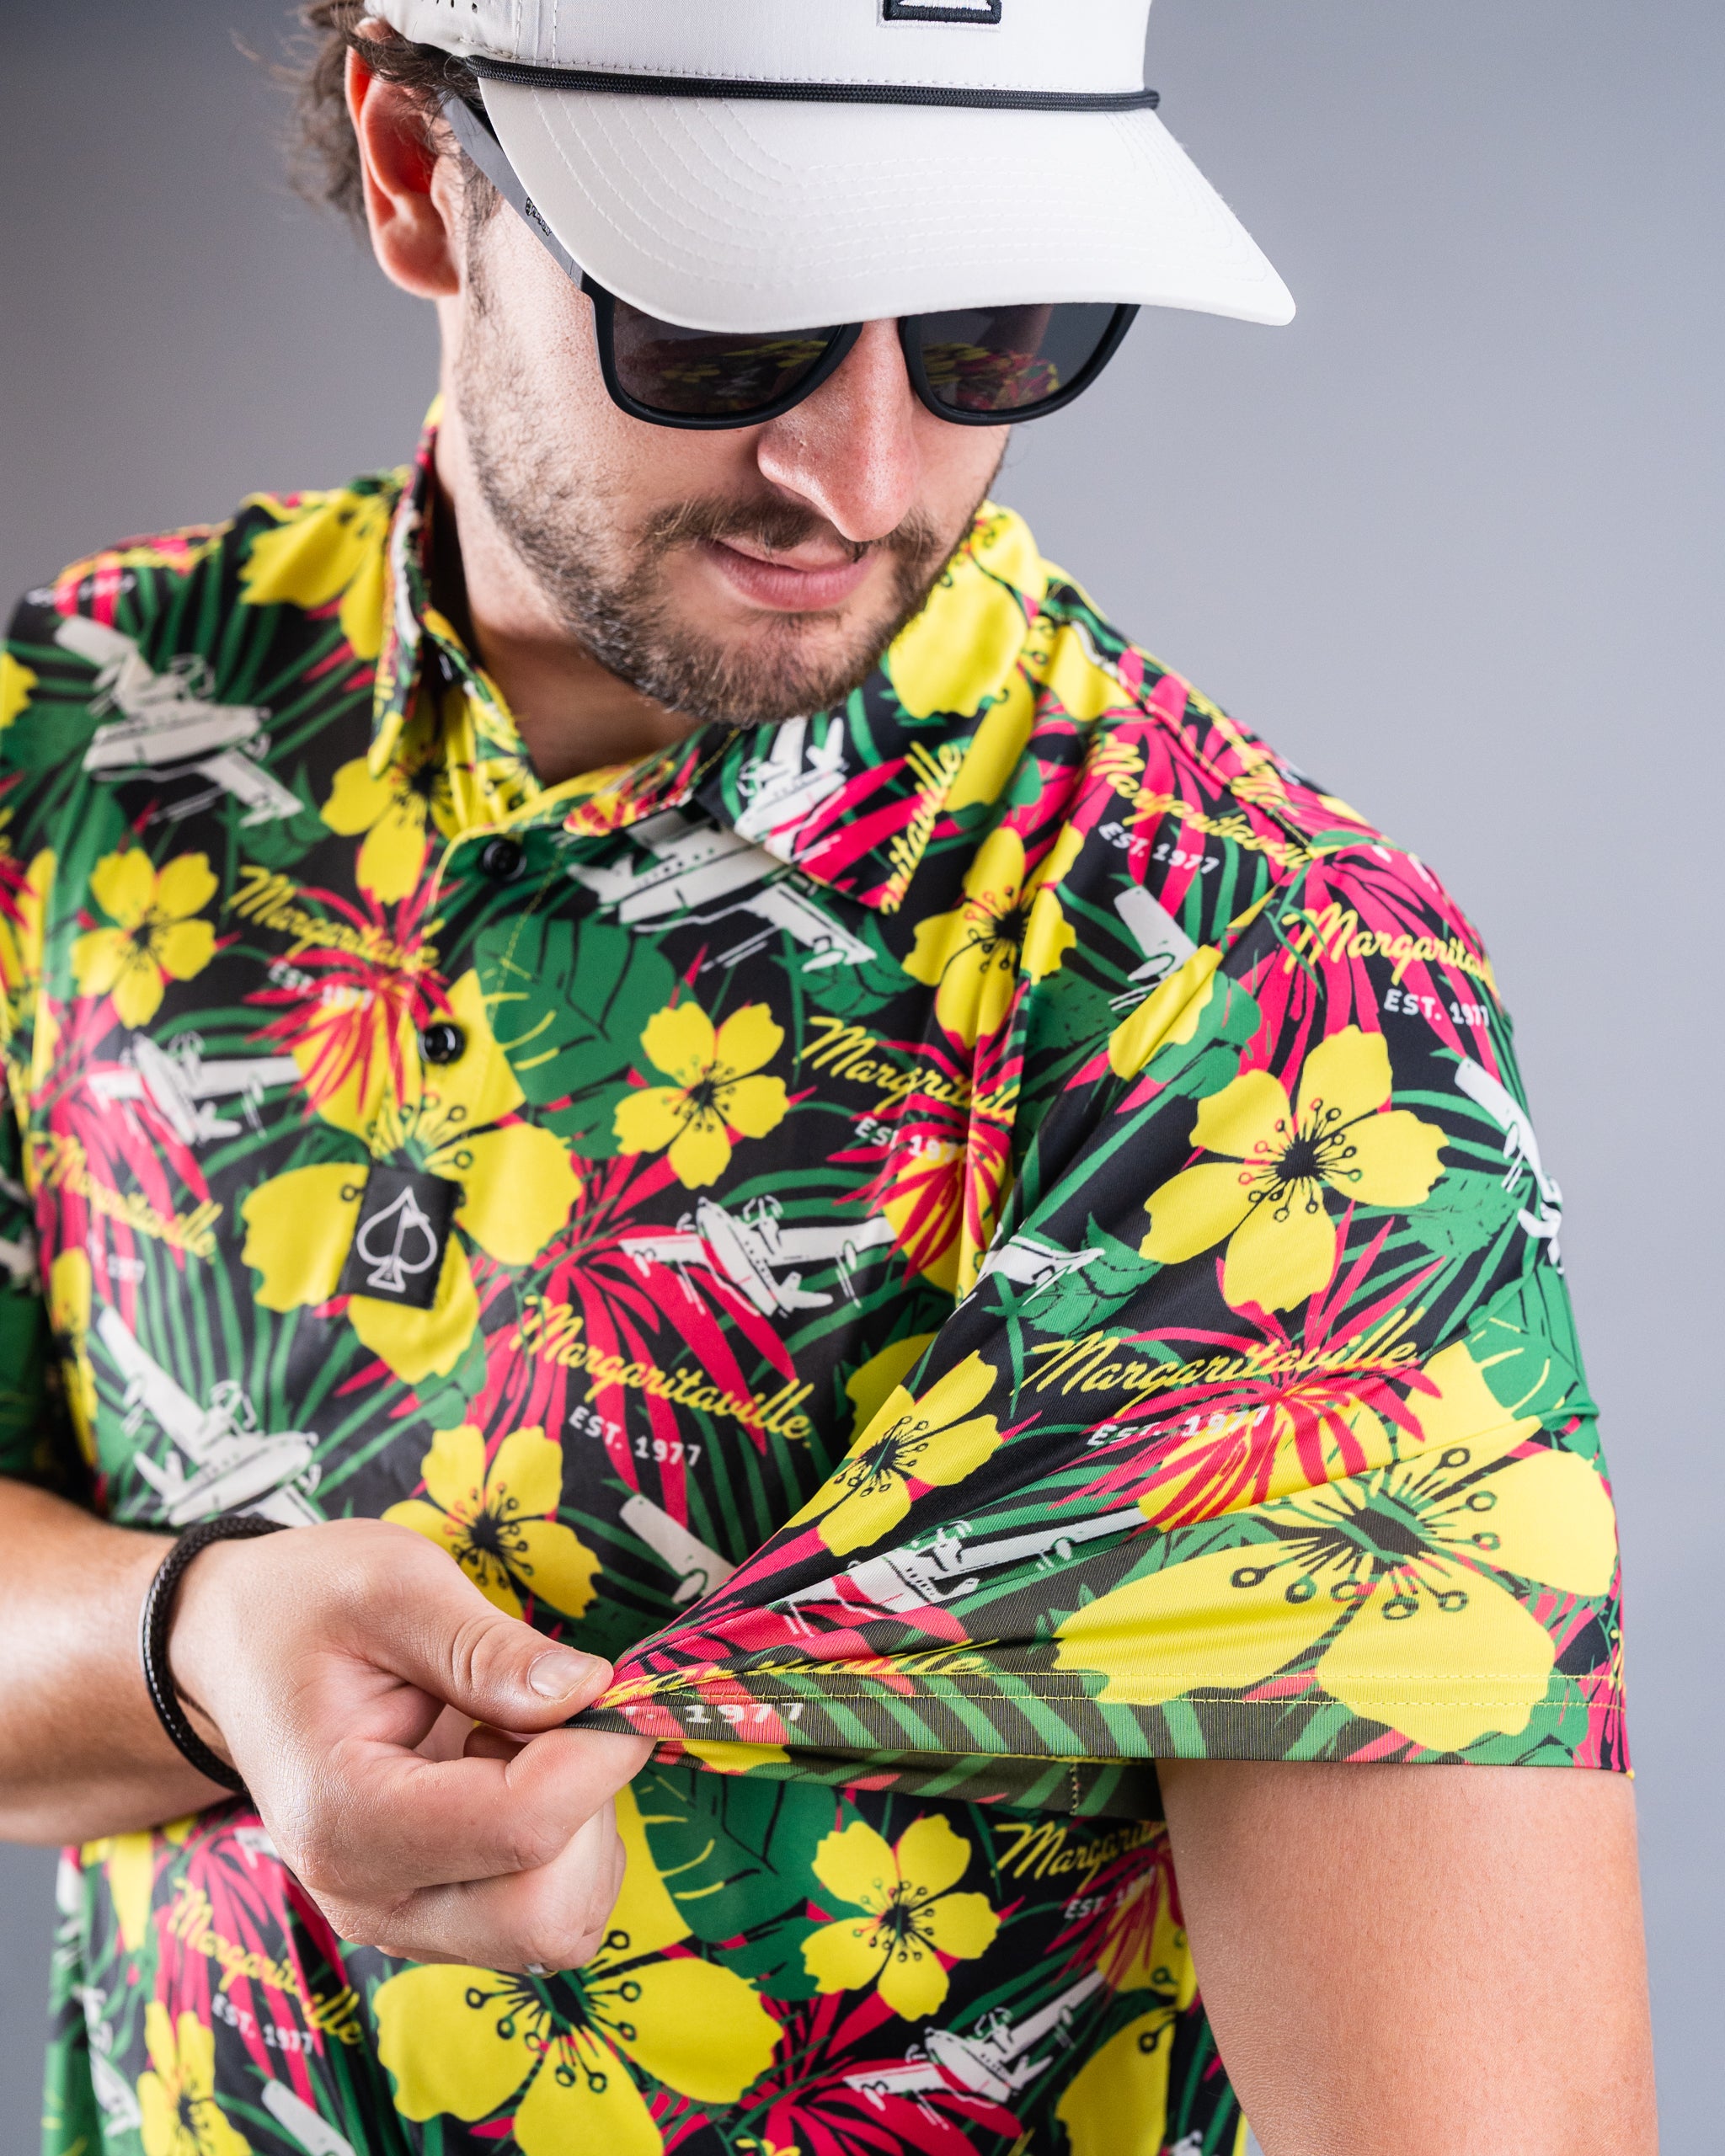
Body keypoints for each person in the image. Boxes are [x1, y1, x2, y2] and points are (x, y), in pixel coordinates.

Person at [0, 3, 1656, 2152]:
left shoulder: (1249, 987)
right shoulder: (79, 741)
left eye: (996, 328)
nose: (863, 474)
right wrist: (193, 1633)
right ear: (419, 171)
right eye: (729, 314)